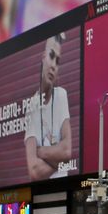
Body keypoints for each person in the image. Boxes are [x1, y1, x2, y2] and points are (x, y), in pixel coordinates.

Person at [24, 33, 74, 180]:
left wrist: (41, 152)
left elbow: (66, 151)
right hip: (40, 193)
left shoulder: (61, 96)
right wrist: (59, 160)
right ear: (43, 57)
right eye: (51, 56)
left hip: (65, 187)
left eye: (58, 61)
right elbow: (34, 170)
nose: (53, 65)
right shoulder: (31, 107)